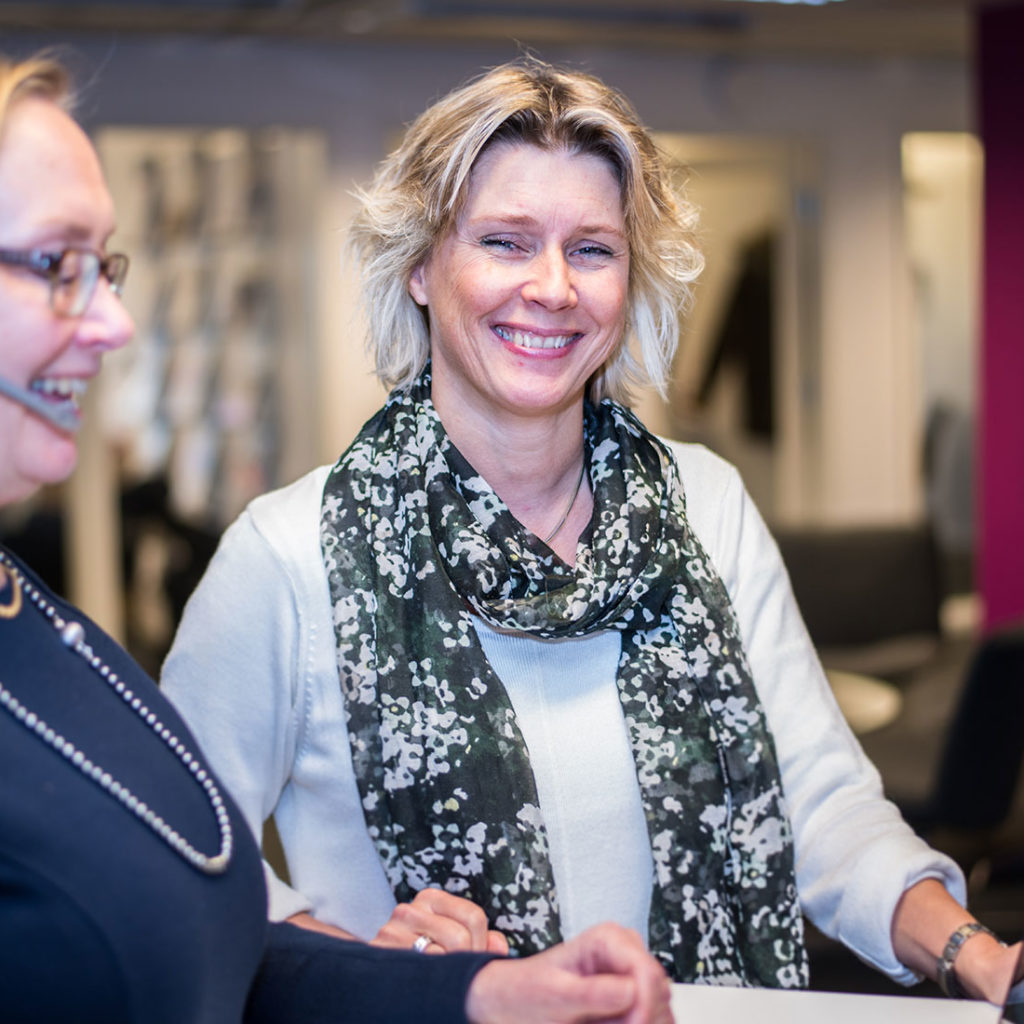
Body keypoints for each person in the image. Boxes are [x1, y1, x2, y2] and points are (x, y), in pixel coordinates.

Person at [162, 57, 1019, 1004]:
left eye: (594, 250)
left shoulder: (707, 507)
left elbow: (818, 803)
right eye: (504, 241)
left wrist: (979, 956)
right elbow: (173, 861)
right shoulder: (287, 556)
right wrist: (355, 954)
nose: (554, 287)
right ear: (417, 267)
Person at [0, 52, 675, 1024]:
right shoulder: (286, 552)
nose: (114, 320)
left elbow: (210, 919)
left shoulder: (42, 625)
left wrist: (475, 991)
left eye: (103, 267)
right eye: (57, 266)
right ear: (418, 268)